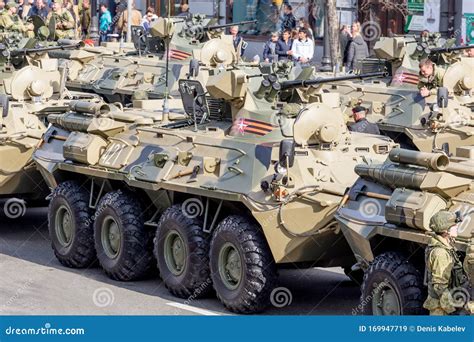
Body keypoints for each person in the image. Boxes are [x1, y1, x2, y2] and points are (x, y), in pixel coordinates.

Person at [423, 211, 470, 315]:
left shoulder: (446, 245)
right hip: (441, 309)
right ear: (446, 231)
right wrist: (452, 310)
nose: (457, 226)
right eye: (454, 225)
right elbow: (439, 287)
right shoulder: (440, 253)